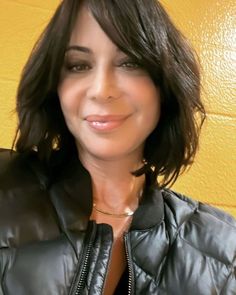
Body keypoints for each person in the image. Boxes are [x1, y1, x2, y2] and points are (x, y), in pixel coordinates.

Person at [0, 0, 235, 294]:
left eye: (130, 62)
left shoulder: (225, 250)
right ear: (55, 86)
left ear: (163, 84)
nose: (101, 89)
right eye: (78, 65)